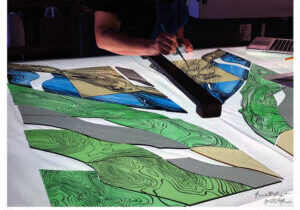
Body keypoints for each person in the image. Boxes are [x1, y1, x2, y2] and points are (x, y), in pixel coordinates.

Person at [89, 0, 193, 55]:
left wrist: (178, 40)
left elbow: (175, 17)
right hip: (117, 64)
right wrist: (151, 47)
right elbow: (102, 38)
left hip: (160, 63)